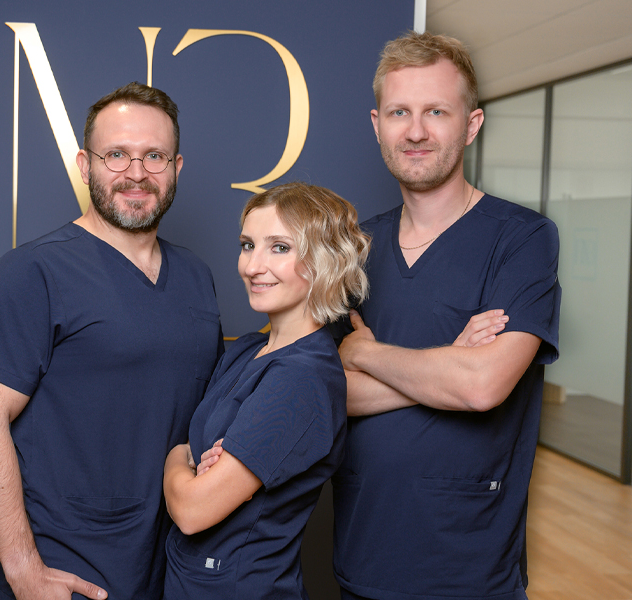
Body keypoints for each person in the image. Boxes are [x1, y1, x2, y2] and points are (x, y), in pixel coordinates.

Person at [0, 82, 223, 600]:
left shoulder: (196, 276)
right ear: (85, 165)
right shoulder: (32, 272)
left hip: (175, 571)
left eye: (154, 156)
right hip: (71, 574)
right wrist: (24, 570)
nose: (136, 173)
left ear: (176, 167)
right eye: (116, 155)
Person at [331, 32, 562, 600]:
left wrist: (366, 354)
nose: (415, 131)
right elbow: (327, 392)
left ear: (471, 124)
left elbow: (482, 386)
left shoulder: (522, 239)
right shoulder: (353, 247)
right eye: (399, 112)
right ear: (377, 124)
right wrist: (448, 366)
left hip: (470, 565)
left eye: (436, 111)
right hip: (363, 553)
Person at [162, 181, 370, 599]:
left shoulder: (302, 378)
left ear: (324, 261)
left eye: (279, 248)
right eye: (247, 245)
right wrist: (189, 462)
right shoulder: (249, 350)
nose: (252, 266)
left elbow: (191, 510)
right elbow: (190, 453)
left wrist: (175, 462)